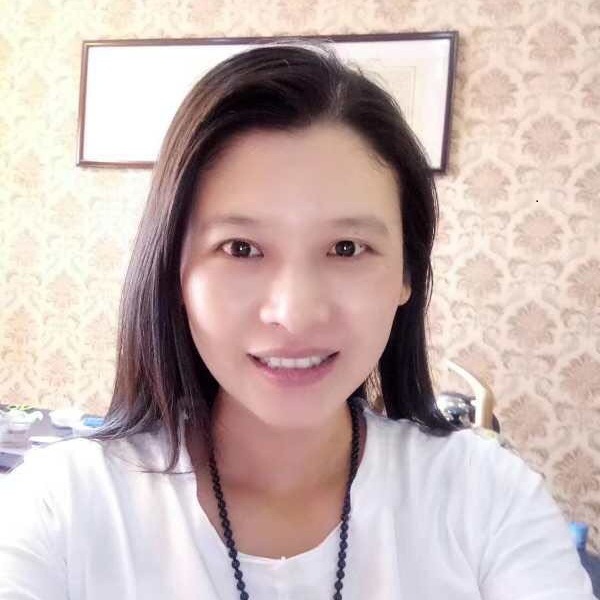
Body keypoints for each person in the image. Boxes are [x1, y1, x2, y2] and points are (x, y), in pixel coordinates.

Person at [0, 40, 595, 600]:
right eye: (240, 248)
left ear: (407, 273)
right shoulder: (61, 506)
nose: (294, 313)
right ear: (174, 272)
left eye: (346, 249)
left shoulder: (486, 497)